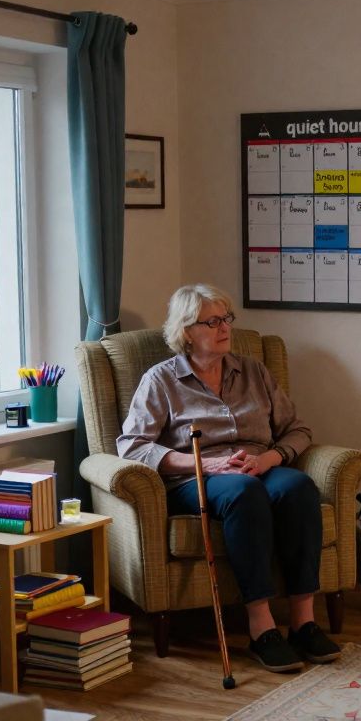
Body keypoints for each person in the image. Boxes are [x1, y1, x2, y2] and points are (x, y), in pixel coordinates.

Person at [117, 283, 339, 673]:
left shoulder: (253, 371)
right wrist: (204, 465)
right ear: (187, 331)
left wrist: (270, 458)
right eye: (213, 321)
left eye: (227, 319)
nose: (225, 328)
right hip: (197, 479)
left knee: (300, 487)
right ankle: (261, 627)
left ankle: (303, 622)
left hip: (259, 466)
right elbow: (132, 446)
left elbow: (297, 430)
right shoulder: (161, 380)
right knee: (243, 492)